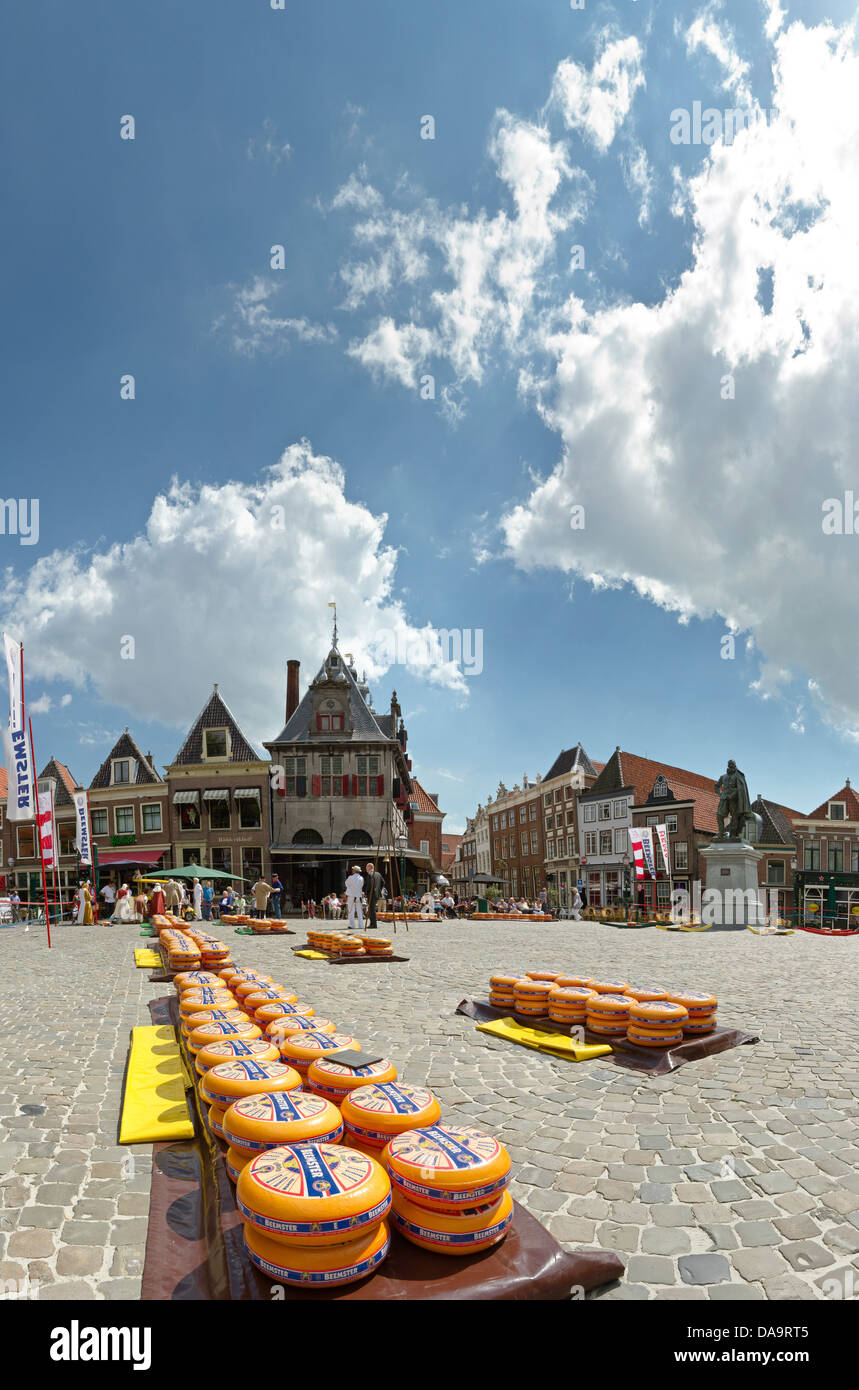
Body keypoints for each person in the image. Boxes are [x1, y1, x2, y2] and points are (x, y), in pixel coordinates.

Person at [364, 862, 384, 931]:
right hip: (377, 894)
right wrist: (378, 890)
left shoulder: (370, 874)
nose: (366, 869)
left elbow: (368, 885)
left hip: (371, 894)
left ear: (369, 867)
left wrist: (366, 892)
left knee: (372, 909)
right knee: (372, 909)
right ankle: (373, 923)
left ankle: (373, 924)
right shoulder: (378, 874)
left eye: (366, 867)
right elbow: (383, 882)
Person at [345, 865, 365, 931]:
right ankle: (361, 925)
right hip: (358, 896)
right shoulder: (361, 878)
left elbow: (346, 884)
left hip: (351, 895)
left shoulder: (350, 877)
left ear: (354, 871)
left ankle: (352, 925)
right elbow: (361, 886)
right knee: (359, 911)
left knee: (351, 911)